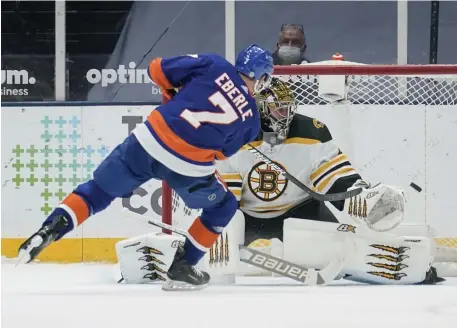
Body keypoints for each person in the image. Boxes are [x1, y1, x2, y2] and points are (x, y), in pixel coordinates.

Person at [17, 44, 274, 291]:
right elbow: (220, 153)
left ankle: (51, 228)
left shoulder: (214, 63)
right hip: (188, 165)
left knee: (97, 192)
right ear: (260, 77)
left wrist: (173, 90)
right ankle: (184, 265)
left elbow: (156, 69)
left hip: (149, 140)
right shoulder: (251, 118)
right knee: (223, 206)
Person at [215, 77, 443, 285]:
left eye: (288, 108)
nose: (285, 115)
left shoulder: (311, 133)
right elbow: (225, 197)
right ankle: (205, 269)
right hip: (248, 217)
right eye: (278, 109)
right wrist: (222, 229)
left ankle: (405, 270)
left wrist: (359, 197)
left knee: (343, 249)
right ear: (260, 109)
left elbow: (335, 177)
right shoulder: (233, 136)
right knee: (221, 237)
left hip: (300, 210)